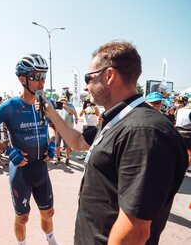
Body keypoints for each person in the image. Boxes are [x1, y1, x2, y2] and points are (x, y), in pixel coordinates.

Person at [40, 41, 188, 244]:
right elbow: (79, 142)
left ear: (109, 75)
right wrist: (52, 114)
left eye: (89, 78)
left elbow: (134, 232)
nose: (85, 86)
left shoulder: (144, 132)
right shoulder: (118, 119)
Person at [0, 54, 60, 245]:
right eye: (36, 76)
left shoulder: (46, 104)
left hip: (41, 169)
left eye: (43, 76)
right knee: (23, 217)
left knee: (49, 212)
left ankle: (51, 239)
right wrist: (5, 149)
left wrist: (52, 142)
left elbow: (54, 125)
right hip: (21, 171)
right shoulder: (10, 106)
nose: (42, 81)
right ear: (23, 79)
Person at [55, 96, 77, 166]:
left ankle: (67, 159)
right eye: (61, 100)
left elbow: (73, 112)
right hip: (58, 129)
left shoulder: (69, 106)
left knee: (67, 145)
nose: (63, 101)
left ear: (66, 101)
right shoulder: (57, 107)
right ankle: (58, 158)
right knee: (57, 144)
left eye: (64, 100)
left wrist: (65, 106)